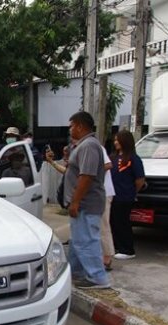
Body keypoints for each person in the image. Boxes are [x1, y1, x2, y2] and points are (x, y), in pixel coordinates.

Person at [63, 111, 110, 290]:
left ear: (80, 126)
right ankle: (76, 272)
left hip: (86, 204)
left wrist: (75, 202)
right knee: (77, 241)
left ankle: (97, 277)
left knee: (87, 241)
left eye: (71, 126)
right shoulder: (82, 146)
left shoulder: (89, 145)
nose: (70, 130)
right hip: (82, 204)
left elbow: (86, 176)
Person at [110, 129, 146, 260]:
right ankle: (117, 246)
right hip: (112, 196)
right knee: (113, 222)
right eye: (114, 140)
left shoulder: (133, 159)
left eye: (117, 139)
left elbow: (140, 180)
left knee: (123, 222)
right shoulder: (113, 157)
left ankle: (128, 249)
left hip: (125, 196)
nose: (115, 142)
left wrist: (132, 192)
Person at [100, 149, 115, 271]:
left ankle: (107, 258)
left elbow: (108, 164)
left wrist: (91, 173)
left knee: (103, 225)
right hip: (97, 193)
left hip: (103, 193)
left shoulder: (96, 147)